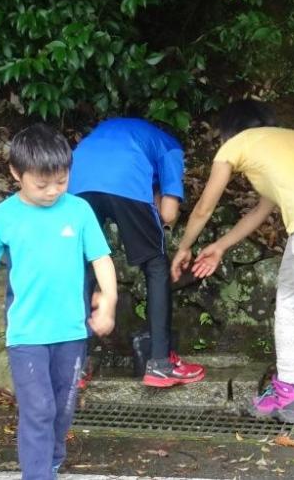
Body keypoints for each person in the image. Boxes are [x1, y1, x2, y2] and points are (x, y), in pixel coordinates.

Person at [170, 100, 294, 423]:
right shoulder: (291, 141)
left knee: (289, 304)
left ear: (229, 131)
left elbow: (203, 209)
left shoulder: (235, 145)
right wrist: (220, 246)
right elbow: (259, 212)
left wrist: (184, 246)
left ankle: (287, 393)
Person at [0, 123, 117, 480]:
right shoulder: (2, 217)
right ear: (16, 173)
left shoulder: (79, 211)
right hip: (26, 333)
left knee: (62, 408)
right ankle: (37, 474)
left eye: (61, 181)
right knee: (38, 408)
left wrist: (109, 300)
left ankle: (51, 457)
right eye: (42, 184)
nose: (53, 191)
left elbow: (101, 259)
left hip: (71, 330)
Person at [69, 117, 204, 388]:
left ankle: (75, 366)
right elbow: (167, 212)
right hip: (126, 178)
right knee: (156, 266)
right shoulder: (171, 147)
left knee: (80, 268)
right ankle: (160, 364)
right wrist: (160, 221)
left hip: (76, 179)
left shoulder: (110, 132)